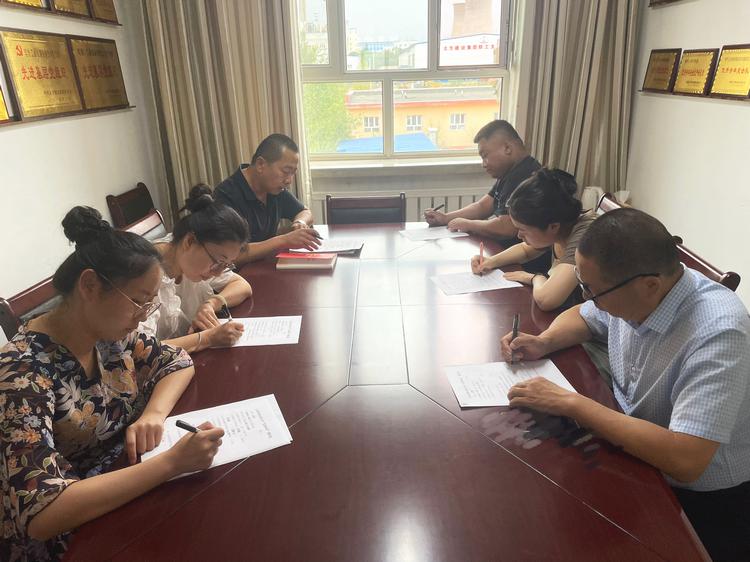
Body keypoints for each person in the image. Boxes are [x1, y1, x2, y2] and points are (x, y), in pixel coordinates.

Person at [501, 208, 750, 562]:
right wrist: (545, 341)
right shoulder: (633, 290)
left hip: (699, 501)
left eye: (594, 291)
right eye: (583, 285)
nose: (588, 298)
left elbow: (686, 460)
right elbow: (583, 315)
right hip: (634, 447)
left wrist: (571, 403)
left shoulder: (718, 332)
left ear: (649, 285)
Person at [0, 207, 224, 561]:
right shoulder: (21, 373)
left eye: (148, 305)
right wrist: (170, 464)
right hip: (74, 536)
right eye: (138, 302)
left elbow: (177, 362)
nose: (142, 316)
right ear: (89, 286)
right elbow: (41, 515)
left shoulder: (109, 336)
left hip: (125, 479)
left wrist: (153, 415)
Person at [140, 184, 253, 352]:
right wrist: (208, 338)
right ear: (190, 241)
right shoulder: (144, 273)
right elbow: (141, 349)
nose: (218, 273)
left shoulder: (186, 256)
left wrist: (211, 303)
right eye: (218, 262)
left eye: (226, 265)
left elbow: (243, 286)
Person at [470, 168, 595, 311]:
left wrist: (534, 278)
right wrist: (490, 261)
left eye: (523, 230)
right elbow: (526, 250)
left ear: (553, 226)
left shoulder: (585, 237)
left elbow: (547, 299)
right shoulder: (562, 222)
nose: (519, 236)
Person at [424, 120, 541, 240]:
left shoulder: (526, 176)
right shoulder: (509, 173)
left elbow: (506, 227)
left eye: (485, 156)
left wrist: (468, 225)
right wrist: (445, 218)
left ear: (507, 148)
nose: (483, 164)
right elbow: (482, 206)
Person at [215, 133, 321, 264]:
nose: (289, 181)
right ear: (260, 164)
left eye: (293, 173)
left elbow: (305, 211)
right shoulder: (226, 195)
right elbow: (231, 255)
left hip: (265, 266)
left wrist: (300, 222)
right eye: (286, 171)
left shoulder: (274, 189)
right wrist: (284, 240)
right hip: (239, 273)